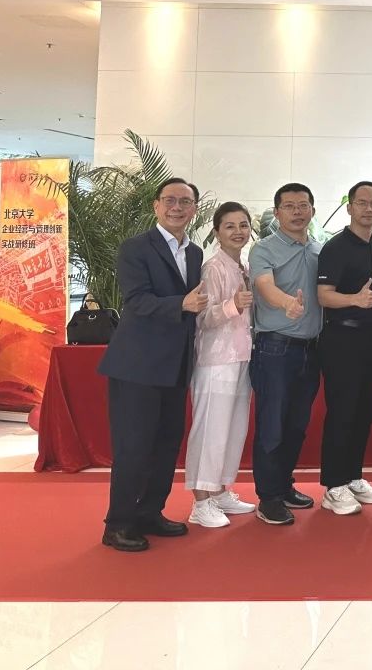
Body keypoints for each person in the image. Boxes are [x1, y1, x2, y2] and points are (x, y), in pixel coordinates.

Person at [98, 178, 206, 552]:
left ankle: (150, 512)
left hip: (176, 366)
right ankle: (118, 523)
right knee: (134, 447)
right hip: (138, 366)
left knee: (166, 444)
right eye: (170, 200)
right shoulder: (136, 248)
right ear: (156, 206)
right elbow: (136, 300)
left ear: (194, 209)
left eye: (185, 202)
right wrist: (181, 304)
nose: (177, 207)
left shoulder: (196, 253)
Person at [249, 182, 324, 526]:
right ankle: (269, 498)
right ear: (277, 212)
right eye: (289, 206)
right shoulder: (263, 249)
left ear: (312, 210)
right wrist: (286, 304)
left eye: (303, 205)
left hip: (311, 349)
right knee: (272, 425)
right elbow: (265, 286)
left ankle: (284, 485)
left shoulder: (319, 249)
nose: (297, 212)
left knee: (296, 425)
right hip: (275, 349)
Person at [315, 180, 372, 515]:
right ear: (349, 207)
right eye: (362, 203)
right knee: (342, 412)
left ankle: (353, 477)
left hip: (371, 340)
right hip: (342, 340)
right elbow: (323, 296)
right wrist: (355, 300)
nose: (368, 209)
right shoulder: (336, 247)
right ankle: (333, 486)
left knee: (364, 412)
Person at [186, 202, 256, 528]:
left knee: (233, 430)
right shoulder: (213, 268)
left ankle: (220, 490)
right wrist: (233, 305)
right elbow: (202, 317)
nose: (238, 231)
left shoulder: (243, 266)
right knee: (210, 430)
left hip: (242, 356)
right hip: (215, 359)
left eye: (243, 225)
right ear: (217, 232)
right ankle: (201, 501)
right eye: (230, 226)